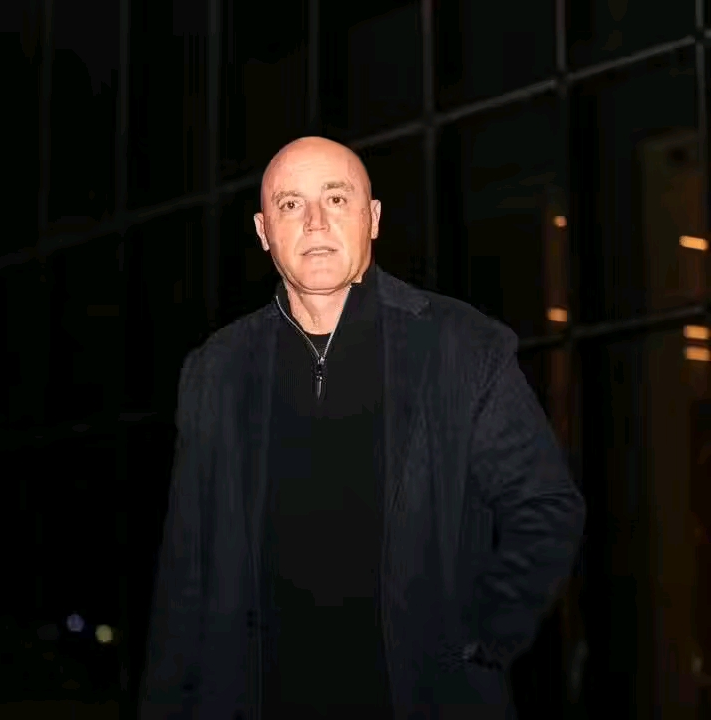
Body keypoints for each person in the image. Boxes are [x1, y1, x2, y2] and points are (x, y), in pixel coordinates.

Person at [137, 136, 586, 720]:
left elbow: (546, 506)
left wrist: (480, 639)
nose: (315, 221)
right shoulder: (214, 371)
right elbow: (185, 572)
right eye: (291, 204)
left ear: (372, 218)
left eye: (336, 198)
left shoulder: (460, 345)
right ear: (263, 231)